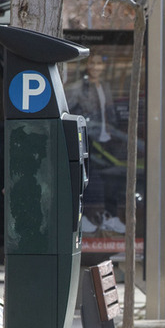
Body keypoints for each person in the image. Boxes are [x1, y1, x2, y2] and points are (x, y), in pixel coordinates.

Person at [65, 56, 126, 233]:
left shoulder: (104, 86)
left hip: (106, 139)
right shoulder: (78, 87)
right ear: (86, 65)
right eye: (92, 63)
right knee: (87, 179)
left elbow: (109, 110)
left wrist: (114, 131)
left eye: (99, 63)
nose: (96, 67)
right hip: (89, 138)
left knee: (111, 179)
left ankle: (109, 215)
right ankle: (84, 217)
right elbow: (68, 109)